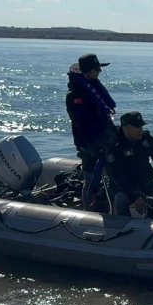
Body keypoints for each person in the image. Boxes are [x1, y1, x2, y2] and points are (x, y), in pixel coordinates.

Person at [65, 53, 117, 210]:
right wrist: (97, 143)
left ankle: (111, 204)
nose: (100, 71)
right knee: (89, 179)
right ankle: (88, 209)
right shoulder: (75, 96)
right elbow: (82, 123)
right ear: (88, 70)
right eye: (97, 68)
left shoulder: (93, 87)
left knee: (114, 175)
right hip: (89, 144)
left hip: (106, 138)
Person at [105, 111, 153, 216]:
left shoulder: (146, 139)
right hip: (125, 186)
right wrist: (136, 195)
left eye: (141, 126)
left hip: (146, 180)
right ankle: (123, 225)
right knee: (120, 199)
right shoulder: (115, 147)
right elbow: (117, 177)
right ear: (125, 128)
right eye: (137, 127)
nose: (141, 130)